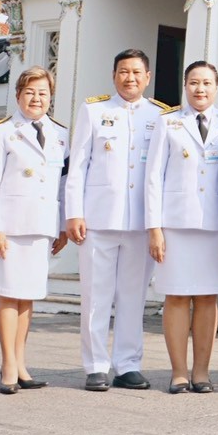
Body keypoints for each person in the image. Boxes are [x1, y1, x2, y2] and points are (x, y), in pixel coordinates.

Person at [64, 49, 165, 391]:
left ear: (147, 77)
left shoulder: (160, 115)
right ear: (114, 75)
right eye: (123, 71)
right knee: (96, 296)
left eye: (136, 72)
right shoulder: (94, 110)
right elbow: (78, 165)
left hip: (140, 222)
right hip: (98, 218)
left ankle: (128, 365)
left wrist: (158, 223)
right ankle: (95, 365)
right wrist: (74, 212)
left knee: (133, 297)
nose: (130, 78)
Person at [0, 67, 69, 393]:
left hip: (41, 226)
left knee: (28, 297)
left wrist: (62, 226)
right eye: (30, 92)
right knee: (9, 295)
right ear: (18, 95)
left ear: (50, 97)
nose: (36, 98)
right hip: (10, 227)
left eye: (43, 93)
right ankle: (7, 365)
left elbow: (62, 184)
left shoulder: (60, 134)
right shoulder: (2, 132)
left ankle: (21, 363)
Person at [144, 61, 218, 394]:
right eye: (194, 82)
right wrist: (154, 227)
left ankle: (202, 371)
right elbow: (153, 177)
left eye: (207, 83)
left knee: (208, 298)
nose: (200, 89)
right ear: (185, 85)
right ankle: (179, 371)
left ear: (217, 86)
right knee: (178, 296)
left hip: (215, 225)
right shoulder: (168, 122)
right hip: (176, 224)